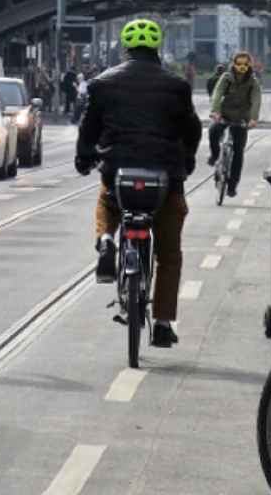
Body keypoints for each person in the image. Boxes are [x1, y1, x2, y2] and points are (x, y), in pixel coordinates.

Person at [75, 19, 202, 348]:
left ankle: (106, 239)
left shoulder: (102, 83)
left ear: (125, 47)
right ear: (157, 47)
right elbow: (192, 130)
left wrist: (85, 159)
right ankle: (161, 322)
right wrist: (186, 161)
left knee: (107, 202)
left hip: (118, 172)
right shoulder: (176, 86)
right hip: (165, 179)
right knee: (169, 253)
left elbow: (88, 128)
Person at [207, 51, 261, 198]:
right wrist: (215, 111)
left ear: (249, 65)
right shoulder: (227, 78)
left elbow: (256, 101)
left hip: (242, 118)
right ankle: (215, 155)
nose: (242, 67)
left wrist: (253, 118)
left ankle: (232, 186)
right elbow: (217, 94)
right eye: (239, 64)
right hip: (225, 114)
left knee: (238, 152)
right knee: (212, 130)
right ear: (234, 64)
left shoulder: (253, 82)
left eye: (245, 64)